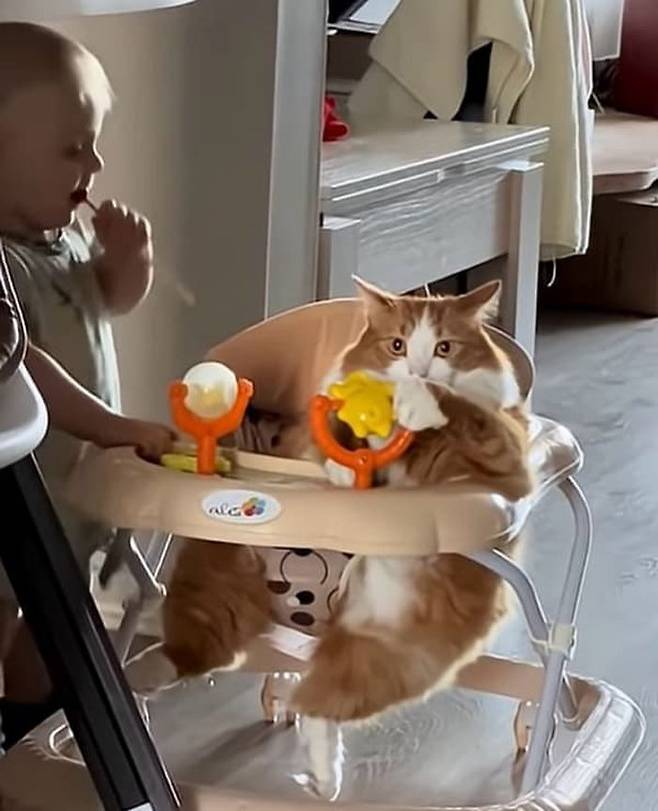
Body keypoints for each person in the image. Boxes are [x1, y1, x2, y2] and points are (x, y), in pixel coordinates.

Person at [0, 21, 175, 747]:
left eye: (93, 145)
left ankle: (33, 735)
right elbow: (26, 366)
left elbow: (106, 302)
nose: (95, 164)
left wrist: (129, 266)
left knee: (60, 622)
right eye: (72, 149)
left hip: (72, 490)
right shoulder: (2, 267)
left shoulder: (63, 241)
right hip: (17, 495)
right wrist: (114, 428)